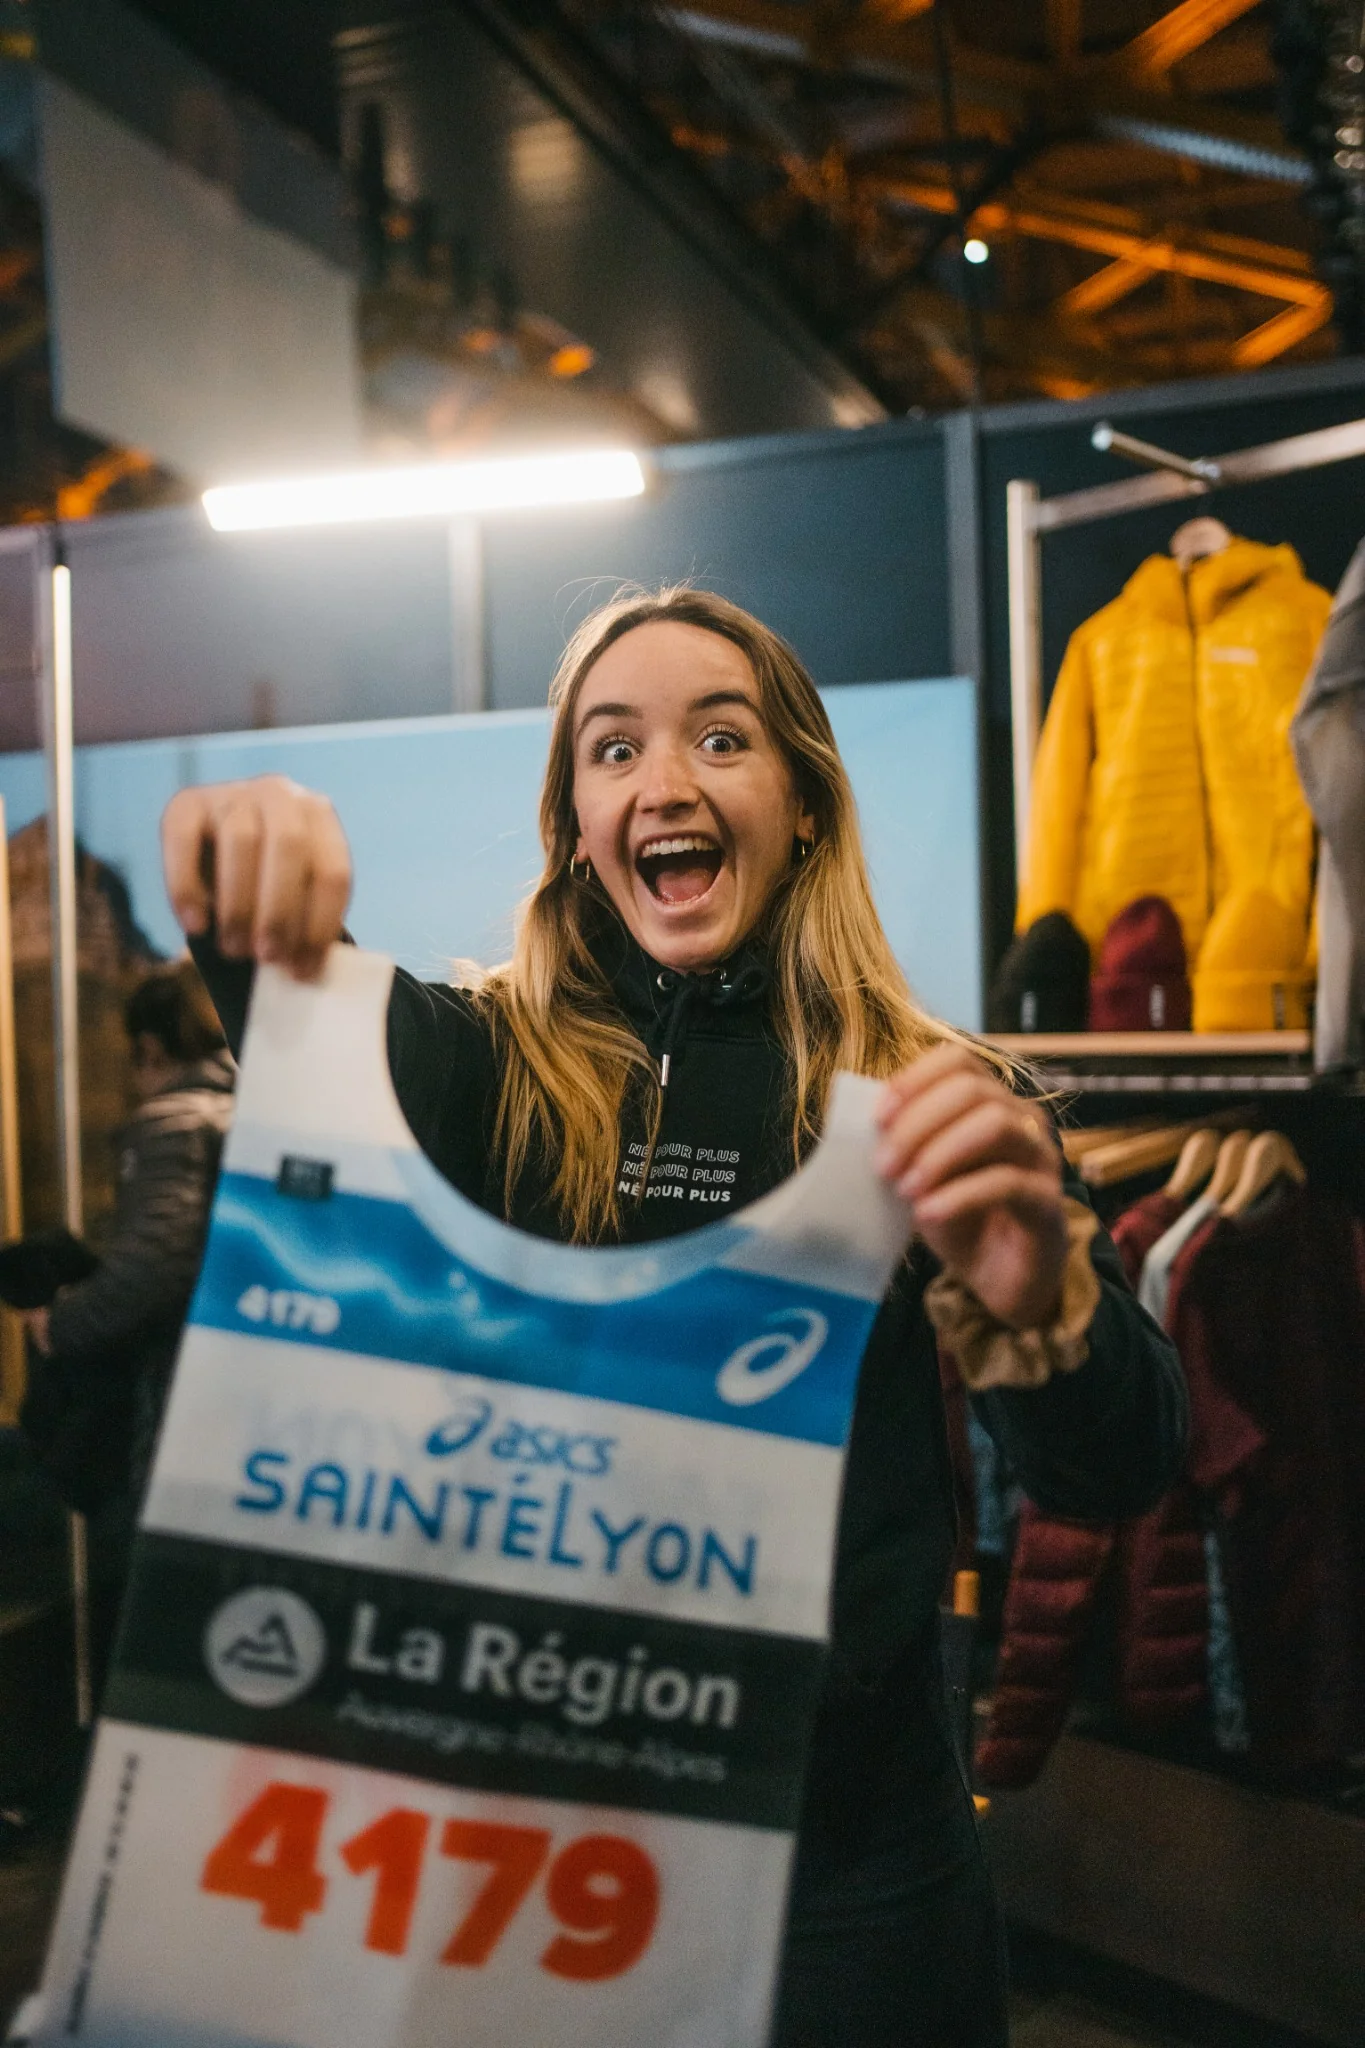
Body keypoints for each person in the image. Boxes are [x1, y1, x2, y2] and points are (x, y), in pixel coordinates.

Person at [161, 588, 1185, 2048]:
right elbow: (279, 990)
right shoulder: (476, 1068)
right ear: (576, 823)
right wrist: (232, 843)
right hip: (528, 1855)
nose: (666, 783)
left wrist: (1047, 1300)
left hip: (853, 1872)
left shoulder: (935, 1104)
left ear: (806, 803)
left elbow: (1128, 1463)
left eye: (721, 737)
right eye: (612, 748)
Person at [23, 961, 235, 1528]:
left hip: (186, 1397)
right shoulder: (249, 1114)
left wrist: (58, 1324)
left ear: (150, 1049)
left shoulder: (178, 1122)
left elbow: (156, 1264)